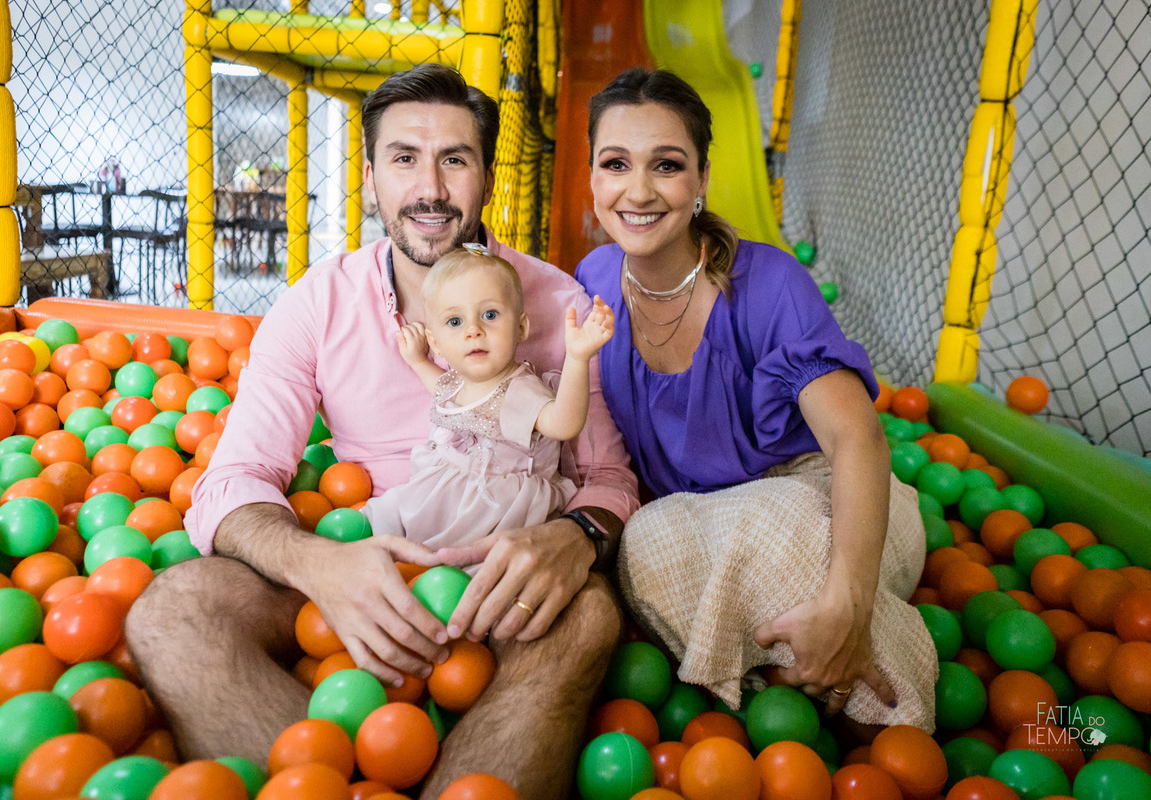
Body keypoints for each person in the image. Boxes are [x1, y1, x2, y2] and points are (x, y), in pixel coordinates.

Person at [125, 64, 639, 799]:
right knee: (172, 611)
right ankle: (326, 780)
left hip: (501, 581)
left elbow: (612, 480)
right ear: (370, 178)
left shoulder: (555, 303)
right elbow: (233, 480)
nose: (430, 188)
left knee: (589, 617)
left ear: (487, 177)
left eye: (454, 159)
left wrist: (573, 537)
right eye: (404, 159)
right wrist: (320, 567)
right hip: (360, 556)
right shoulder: (317, 304)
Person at [575, 67, 936, 730]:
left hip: (829, 505)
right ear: (593, 177)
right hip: (698, 524)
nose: (639, 189)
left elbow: (858, 441)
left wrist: (849, 601)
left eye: (668, 165)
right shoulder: (592, 283)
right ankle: (789, 690)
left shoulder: (768, 281)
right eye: (615, 164)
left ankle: (882, 714)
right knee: (648, 543)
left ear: (703, 178)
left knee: (764, 529)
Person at [361, 245, 615, 551]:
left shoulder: (519, 390)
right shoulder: (455, 383)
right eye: (455, 322)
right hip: (445, 491)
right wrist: (418, 360)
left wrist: (577, 357)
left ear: (520, 327)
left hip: (496, 507)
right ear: (435, 342)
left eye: (490, 315)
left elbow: (564, 424)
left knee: (463, 557)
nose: (473, 330)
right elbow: (441, 392)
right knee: (389, 517)